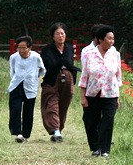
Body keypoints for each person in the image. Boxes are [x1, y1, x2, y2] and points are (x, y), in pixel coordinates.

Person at [79, 25, 122, 157]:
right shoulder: (89, 54)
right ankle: (95, 147)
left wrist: (118, 97)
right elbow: (84, 75)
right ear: (100, 39)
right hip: (93, 92)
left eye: (112, 39)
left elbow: (118, 76)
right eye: (108, 38)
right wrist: (83, 96)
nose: (111, 41)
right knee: (91, 121)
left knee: (108, 120)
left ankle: (104, 150)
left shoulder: (115, 54)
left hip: (111, 93)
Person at [39, 22, 79, 142]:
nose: (60, 36)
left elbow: (71, 64)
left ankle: (58, 129)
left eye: (62, 33)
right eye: (57, 34)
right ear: (53, 36)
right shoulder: (46, 50)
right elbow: (42, 65)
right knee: (51, 103)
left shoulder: (69, 49)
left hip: (67, 78)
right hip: (52, 79)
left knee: (64, 104)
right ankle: (55, 131)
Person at [7, 36, 45, 143]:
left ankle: (26, 134)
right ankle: (18, 133)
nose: (21, 51)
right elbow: (12, 71)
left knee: (28, 111)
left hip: (31, 86)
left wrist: (33, 76)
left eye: (24, 48)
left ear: (30, 48)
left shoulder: (36, 57)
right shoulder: (14, 57)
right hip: (17, 85)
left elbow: (42, 69)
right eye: (19, 48)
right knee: (15, 108)